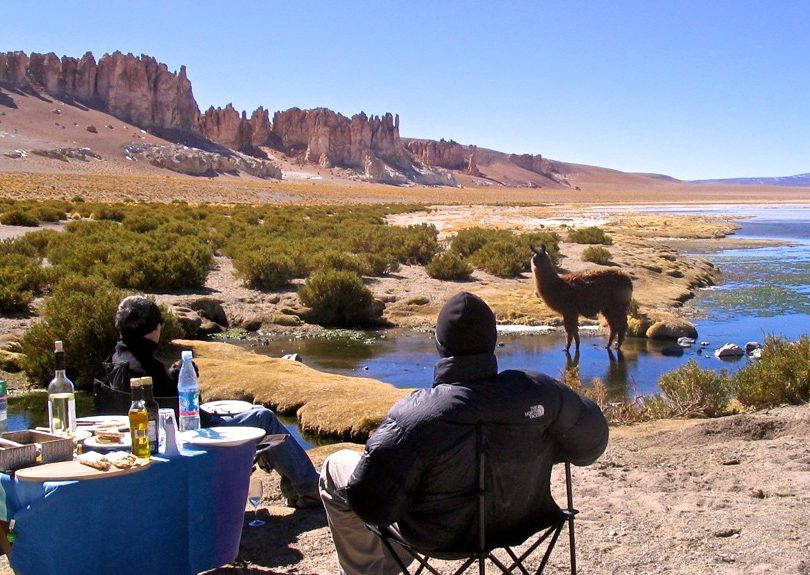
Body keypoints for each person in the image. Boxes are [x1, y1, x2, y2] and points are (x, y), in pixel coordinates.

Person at [319, 292, 609, 575]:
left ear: (440, 346)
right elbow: (591, 446)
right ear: (493, 342)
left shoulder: (415, 414)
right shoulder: (541, 391)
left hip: (435, 537)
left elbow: (373, 507)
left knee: (335, 465)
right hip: (522, 519)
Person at [106, 295, 321, 508]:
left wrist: (173, 376)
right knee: (263, 417)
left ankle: (294, 489)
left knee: (254, 412)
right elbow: (180, 407)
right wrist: (181, 379)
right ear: (152, 328)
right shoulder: (145, 366)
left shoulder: (118, 358)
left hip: (162, 438)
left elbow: (163, 394)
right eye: (159, 324)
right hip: (190, 435)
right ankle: (309, 488)